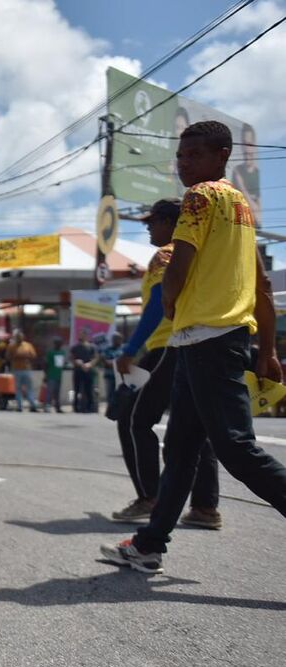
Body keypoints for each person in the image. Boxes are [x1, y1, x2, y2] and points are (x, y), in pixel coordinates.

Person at [101, 120, 286, 574]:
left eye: (195, 155)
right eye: (181, 156)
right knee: (181, 449)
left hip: (209, 337)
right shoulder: (242, 209)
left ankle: (152, 538)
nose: (184, 163)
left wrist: (170, 301)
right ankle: (149, 544)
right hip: (201, 342)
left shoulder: (201, 198)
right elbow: (260, 285)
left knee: (238, 449)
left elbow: (179, 263)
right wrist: (267, 350)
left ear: (222, 156)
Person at [111, 199, 221, 525]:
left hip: (163, 348)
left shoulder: (166, 254)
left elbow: (159, 303)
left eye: (153, 220)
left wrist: (130, 349)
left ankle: (150, 497)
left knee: (133, 420)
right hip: (190, 346)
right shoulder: (195, 253)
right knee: (195, 426)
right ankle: (204, 507)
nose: (147, 227)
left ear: (172, 222)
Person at [232, 122, 261, 228]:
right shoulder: (236, 171)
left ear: (254, 146)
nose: (246, 150)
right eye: (243, 144)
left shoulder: (257, 174)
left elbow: (258, 217)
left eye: (249, 144)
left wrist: (242, 187)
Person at [6, 330, 38, 413]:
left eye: (21, 337)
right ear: (16, 338)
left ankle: (33, 405)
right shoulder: (12, 346)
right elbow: (8, 357)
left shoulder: (28, 345)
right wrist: (15, 356)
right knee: (18, 389)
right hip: (17, 370)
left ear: (23, 338)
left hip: (27, 369)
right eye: (18, 337)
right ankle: (19, 406)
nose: (19, 338)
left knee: (29, 389)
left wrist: (25, 357)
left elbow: (33, 355)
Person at [69, 329, 97, 413]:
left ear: (86, 336)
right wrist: (76, 362)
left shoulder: (92, 347)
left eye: (83, 335)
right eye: (80, 334)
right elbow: (71, 358)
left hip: (88, 371)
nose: (82, 336)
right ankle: (76, 407)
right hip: (78, 370)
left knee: (89, 390)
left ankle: (90, 407)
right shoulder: (75, 347)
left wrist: (89, 364)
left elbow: (95, 358)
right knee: (77, 389)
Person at [101, 332, 124, 409]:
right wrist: (117, 362)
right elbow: (105, 361)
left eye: (118, 339)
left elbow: (126, 361)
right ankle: (110, 409)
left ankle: (119, 408)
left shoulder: (124, 349)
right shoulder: (107, 349)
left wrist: (114, 363)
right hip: (109, 375)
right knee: (110, 393)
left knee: (120, 393)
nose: (117, 340)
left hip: (121, 375)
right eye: (115, 339)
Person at [43, 336, 65, 413]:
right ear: (54, 344)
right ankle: (47, 406)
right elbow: (46, 364)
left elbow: (62, 364)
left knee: (57, 392)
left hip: (59, 375)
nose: (58, 344)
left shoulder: (62, 352)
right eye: (57, 343)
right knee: (50, 391)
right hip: (51, 375)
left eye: (60, 343)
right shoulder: (50, 352)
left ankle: (57, 407)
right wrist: (45, 375)